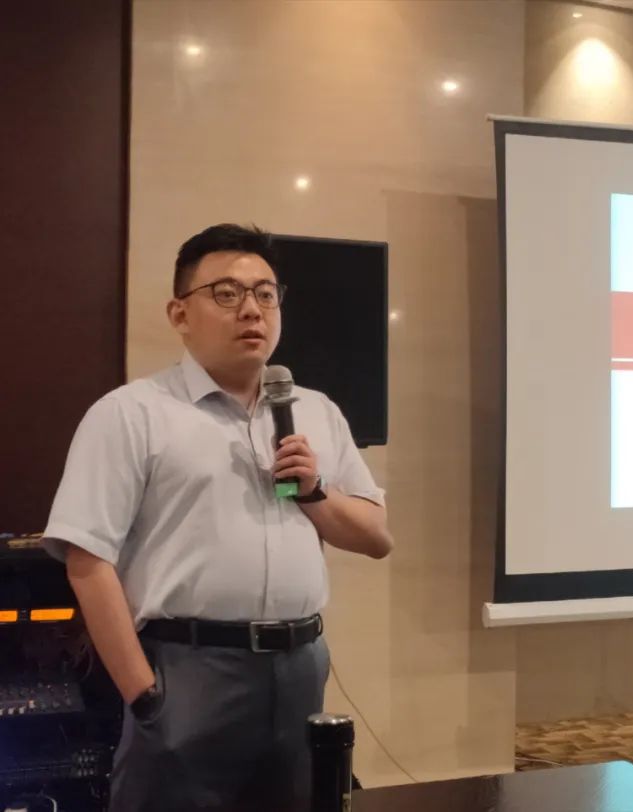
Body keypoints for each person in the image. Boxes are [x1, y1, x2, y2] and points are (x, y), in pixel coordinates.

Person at [43, 223, 393, 811]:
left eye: (266, 294)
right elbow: (87, 559)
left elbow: (377, 537)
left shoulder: (316, 411)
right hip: (187, 670)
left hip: (301, 666)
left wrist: (313, 493)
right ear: (179, 314)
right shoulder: (131, 414)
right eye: (226, 294)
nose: (251, 310)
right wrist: (144, 695)